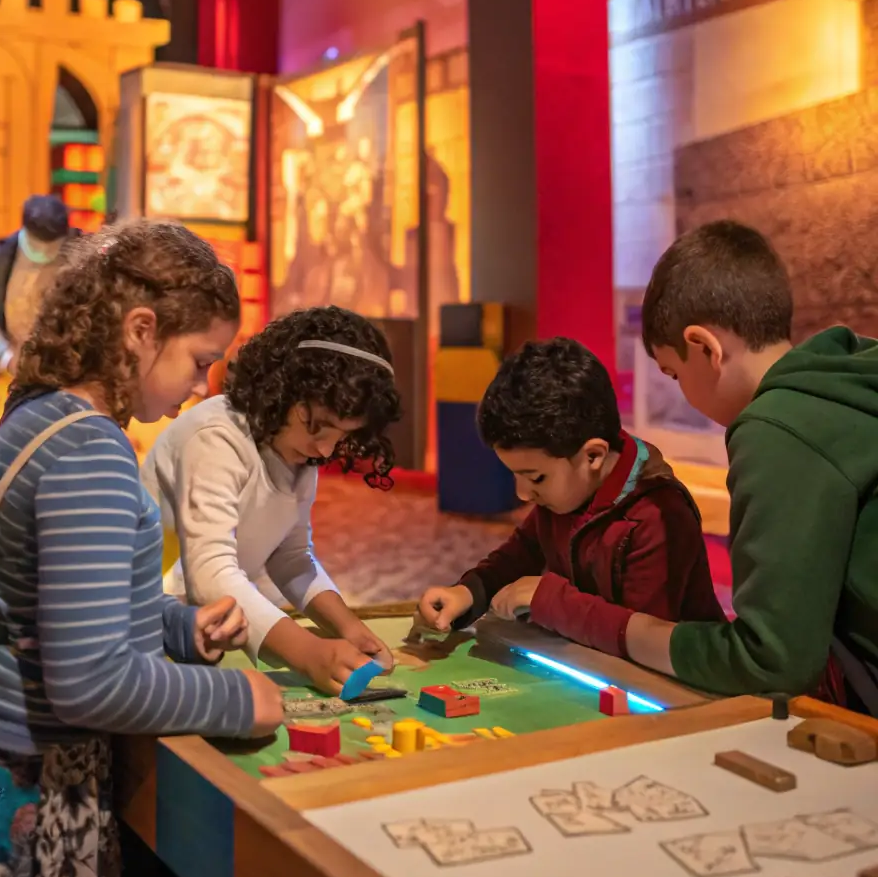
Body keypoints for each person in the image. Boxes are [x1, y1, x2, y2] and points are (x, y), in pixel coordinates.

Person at [0, 221, 283, 877]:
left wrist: (178, 628)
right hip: (29, 779)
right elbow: (90, 681)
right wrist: (239, 700)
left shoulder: (41, 411)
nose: (200, 387)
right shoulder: (92, 454)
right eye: (198, 360)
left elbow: (55, 599)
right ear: (141, 329)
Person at [626, 220, 878, 716]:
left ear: (705, 347)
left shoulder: (776, 427)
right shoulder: (849, 376)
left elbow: (772, 659)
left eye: (674, 373)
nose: (681, 391)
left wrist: (624, 632)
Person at [143, 306, 403, 695]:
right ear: (281, 390)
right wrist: (309, 653)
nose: (326, 447)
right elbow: (209, 575)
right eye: (318, 425)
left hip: (208, 627)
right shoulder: (216, 435)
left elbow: (292, 554)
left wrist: (348, 628)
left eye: (343, 436)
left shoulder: (299, 450)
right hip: (151, 624)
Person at [417, 337, 724, 653]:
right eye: (515, 475)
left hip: (677, 690)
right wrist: (469, 592)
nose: (523, 494)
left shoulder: (658, 516)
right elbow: (522, 553)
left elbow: (645, 637)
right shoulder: (568, 490)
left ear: (592, 456)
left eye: (536, 477)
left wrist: (551, 601)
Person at [0, 194, 76, 443]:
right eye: (37, 243)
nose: (43, 252)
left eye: (51, 245)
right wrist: (6, 357)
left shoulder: (81, 251)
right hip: (12, 364)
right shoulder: (5, 256)